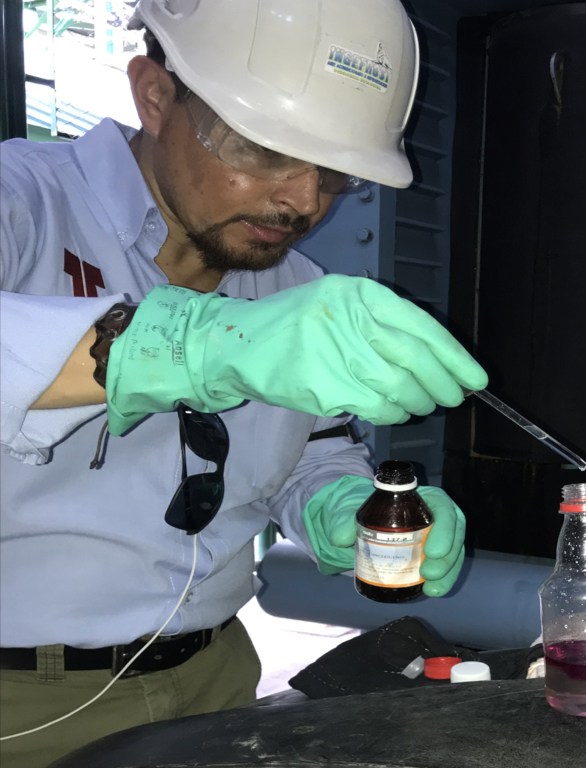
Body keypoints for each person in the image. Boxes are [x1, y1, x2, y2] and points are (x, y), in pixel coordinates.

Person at [0, 1, 486, 766]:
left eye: (335, 172)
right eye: (265, 150)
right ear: (154, 95)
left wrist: (345, 507)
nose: (303, 201)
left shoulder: (292, 284)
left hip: (219, 677)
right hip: (23, 702)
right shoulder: (22, 201)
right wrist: (176, 346)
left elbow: (306, 451)